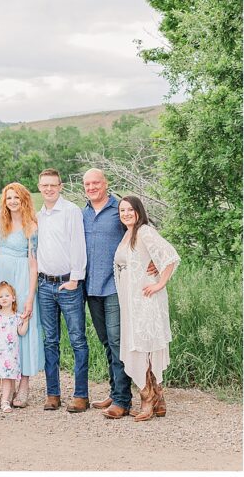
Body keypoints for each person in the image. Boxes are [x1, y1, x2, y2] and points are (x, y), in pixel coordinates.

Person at [113, 195, 180, 421]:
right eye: (122, 210)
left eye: (130, 210)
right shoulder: (127, 234)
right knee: (141, 345)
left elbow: (170, 256)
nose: (126, 214)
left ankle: (147, 398)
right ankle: (158, 399)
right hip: (129, 300)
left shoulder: (145, 232)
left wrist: (160, 281)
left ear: (139, 211)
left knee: (143, 346)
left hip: (145, 298)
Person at [34, 168, 88, 412]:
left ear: (60, 186)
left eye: (52, 185)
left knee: (77, 340)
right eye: (44, 185)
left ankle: (80, 395)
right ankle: (52, 393)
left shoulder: (71, 211)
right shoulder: (39, 215)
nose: (48, 189)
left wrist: (75, 279)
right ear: (39, 187)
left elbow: (78, 245)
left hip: (68, 284)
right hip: (45, 284)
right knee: (50, 341)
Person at [82, 168, 134, 418]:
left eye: (96, 183)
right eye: (88, 184)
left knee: (116, 341)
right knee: (105, 342)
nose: (92, 187)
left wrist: (151, 261)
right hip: (91, 287)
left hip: (114, 286)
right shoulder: (83, 214)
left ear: (106, 184)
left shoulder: (120, 209)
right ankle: (115, 392)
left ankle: (123, 400)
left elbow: (141, 232)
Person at [0, 182, 45, 408]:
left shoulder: (31, 226)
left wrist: (30, 297)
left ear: (24, 200)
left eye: (16, 198)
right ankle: (5, 385)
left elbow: (34, 265)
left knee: (23, 328)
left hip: (22, 277)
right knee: (3, 329)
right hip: (2, 276)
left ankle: (23, 386)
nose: (12, 201)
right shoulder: (0, 222)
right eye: (9, 198)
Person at [0, 281, 30, 412]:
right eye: (1, 296)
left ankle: (5, 400)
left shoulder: (17, 317)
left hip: (10, 353)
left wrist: (25, 321)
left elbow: (21, 332)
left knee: (7, 377)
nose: (4, 298)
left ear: (13, 298)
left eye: (7, 295)